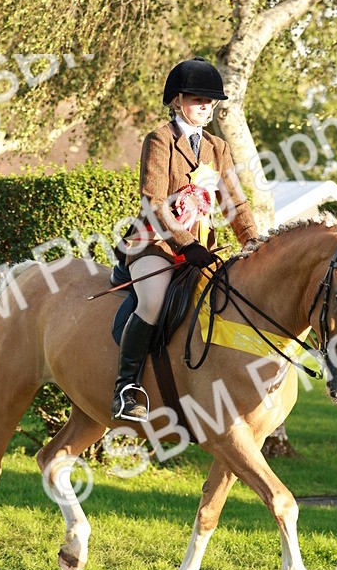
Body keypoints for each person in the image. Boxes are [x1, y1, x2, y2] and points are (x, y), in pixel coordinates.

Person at [111, 56, 259, 422]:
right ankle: (126, 387)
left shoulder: (217, 148)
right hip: (155, 244)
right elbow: (153, 202)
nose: (206, 107)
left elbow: (234, 202)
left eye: (211, 101)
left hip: (201, 249)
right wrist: (184, 243)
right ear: (177, 100)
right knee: (154, 301)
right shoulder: (160, 139)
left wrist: (255, 242)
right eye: (198, 100)